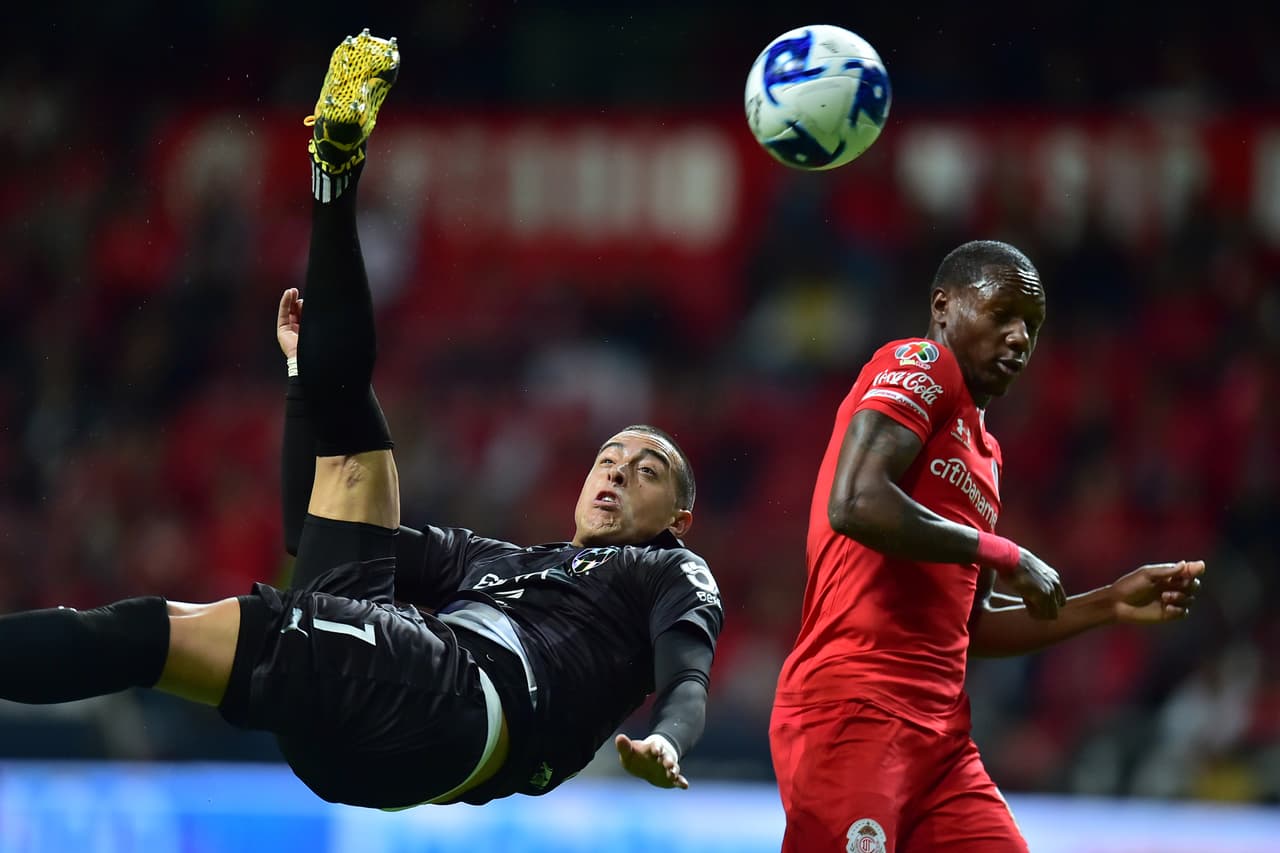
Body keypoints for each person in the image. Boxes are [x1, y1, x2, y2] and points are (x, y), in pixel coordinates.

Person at [0, 30, 723, 810]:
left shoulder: (664, 571)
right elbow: (303, 535)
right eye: (610, 456)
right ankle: (333, 174)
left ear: (677, 516)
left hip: (454, 702)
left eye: (645, 469)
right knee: (344, 465)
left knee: (145, 633)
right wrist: (300, 377)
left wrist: (669, 740)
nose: (615, 468)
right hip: (373, 722)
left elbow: (685, 673)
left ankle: (335, 184)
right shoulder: (497, 563)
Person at [768, 239, 1206, 853]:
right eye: (1002, 315)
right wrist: (1002, 552)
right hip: (855, 712)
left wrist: (1107, 603)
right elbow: (856, 501)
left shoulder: (987, 457)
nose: (1020, 338)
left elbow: (968, 630)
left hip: (942, 743)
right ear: (943, 305)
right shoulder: (920, 363)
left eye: (1031, 326)